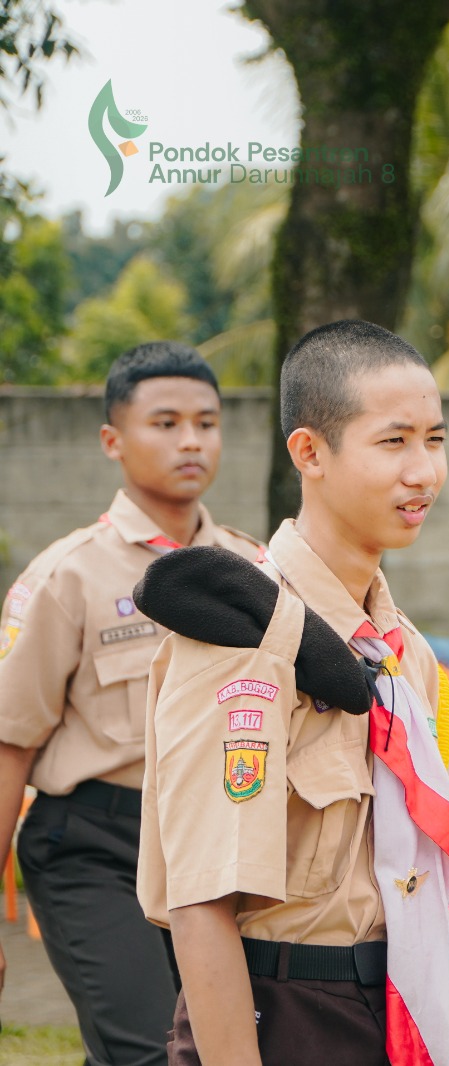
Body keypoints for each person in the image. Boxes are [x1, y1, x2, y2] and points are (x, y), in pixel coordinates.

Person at [134, 320, 449, 1065]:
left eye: (436, 440)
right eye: (394, 443)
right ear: (309, 452)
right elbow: (201, 903)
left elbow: (402, 868)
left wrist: (445, 1022)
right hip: (277, 1014)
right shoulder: (244, 635)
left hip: (389, 1010)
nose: (423, 472)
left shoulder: (400, 651)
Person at [0, 342, 260, 1065]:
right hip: (93, 846)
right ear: (113, 440)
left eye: (207, 423)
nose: (191, 441)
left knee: (197, 1048)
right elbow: (10, 742)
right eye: (166, 422)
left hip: (207, 849)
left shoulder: (249, 570)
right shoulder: (69, 574)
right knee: (147, 1052)